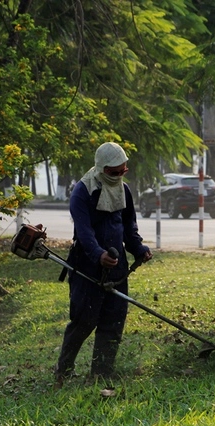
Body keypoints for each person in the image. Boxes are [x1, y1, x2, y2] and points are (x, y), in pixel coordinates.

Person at [55, 142, 152, 385]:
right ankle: (63, 372)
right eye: (114, 172)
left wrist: (138, 249)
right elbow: (84, 232)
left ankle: (101, 372)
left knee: (113, 321)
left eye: (123, 171)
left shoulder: (124, 191)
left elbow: (128, 227)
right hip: (87, 265)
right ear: (101, 169)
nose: (119, 176)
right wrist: (98, 254)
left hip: (117, 266)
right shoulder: (82, 192)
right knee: (83, 321)